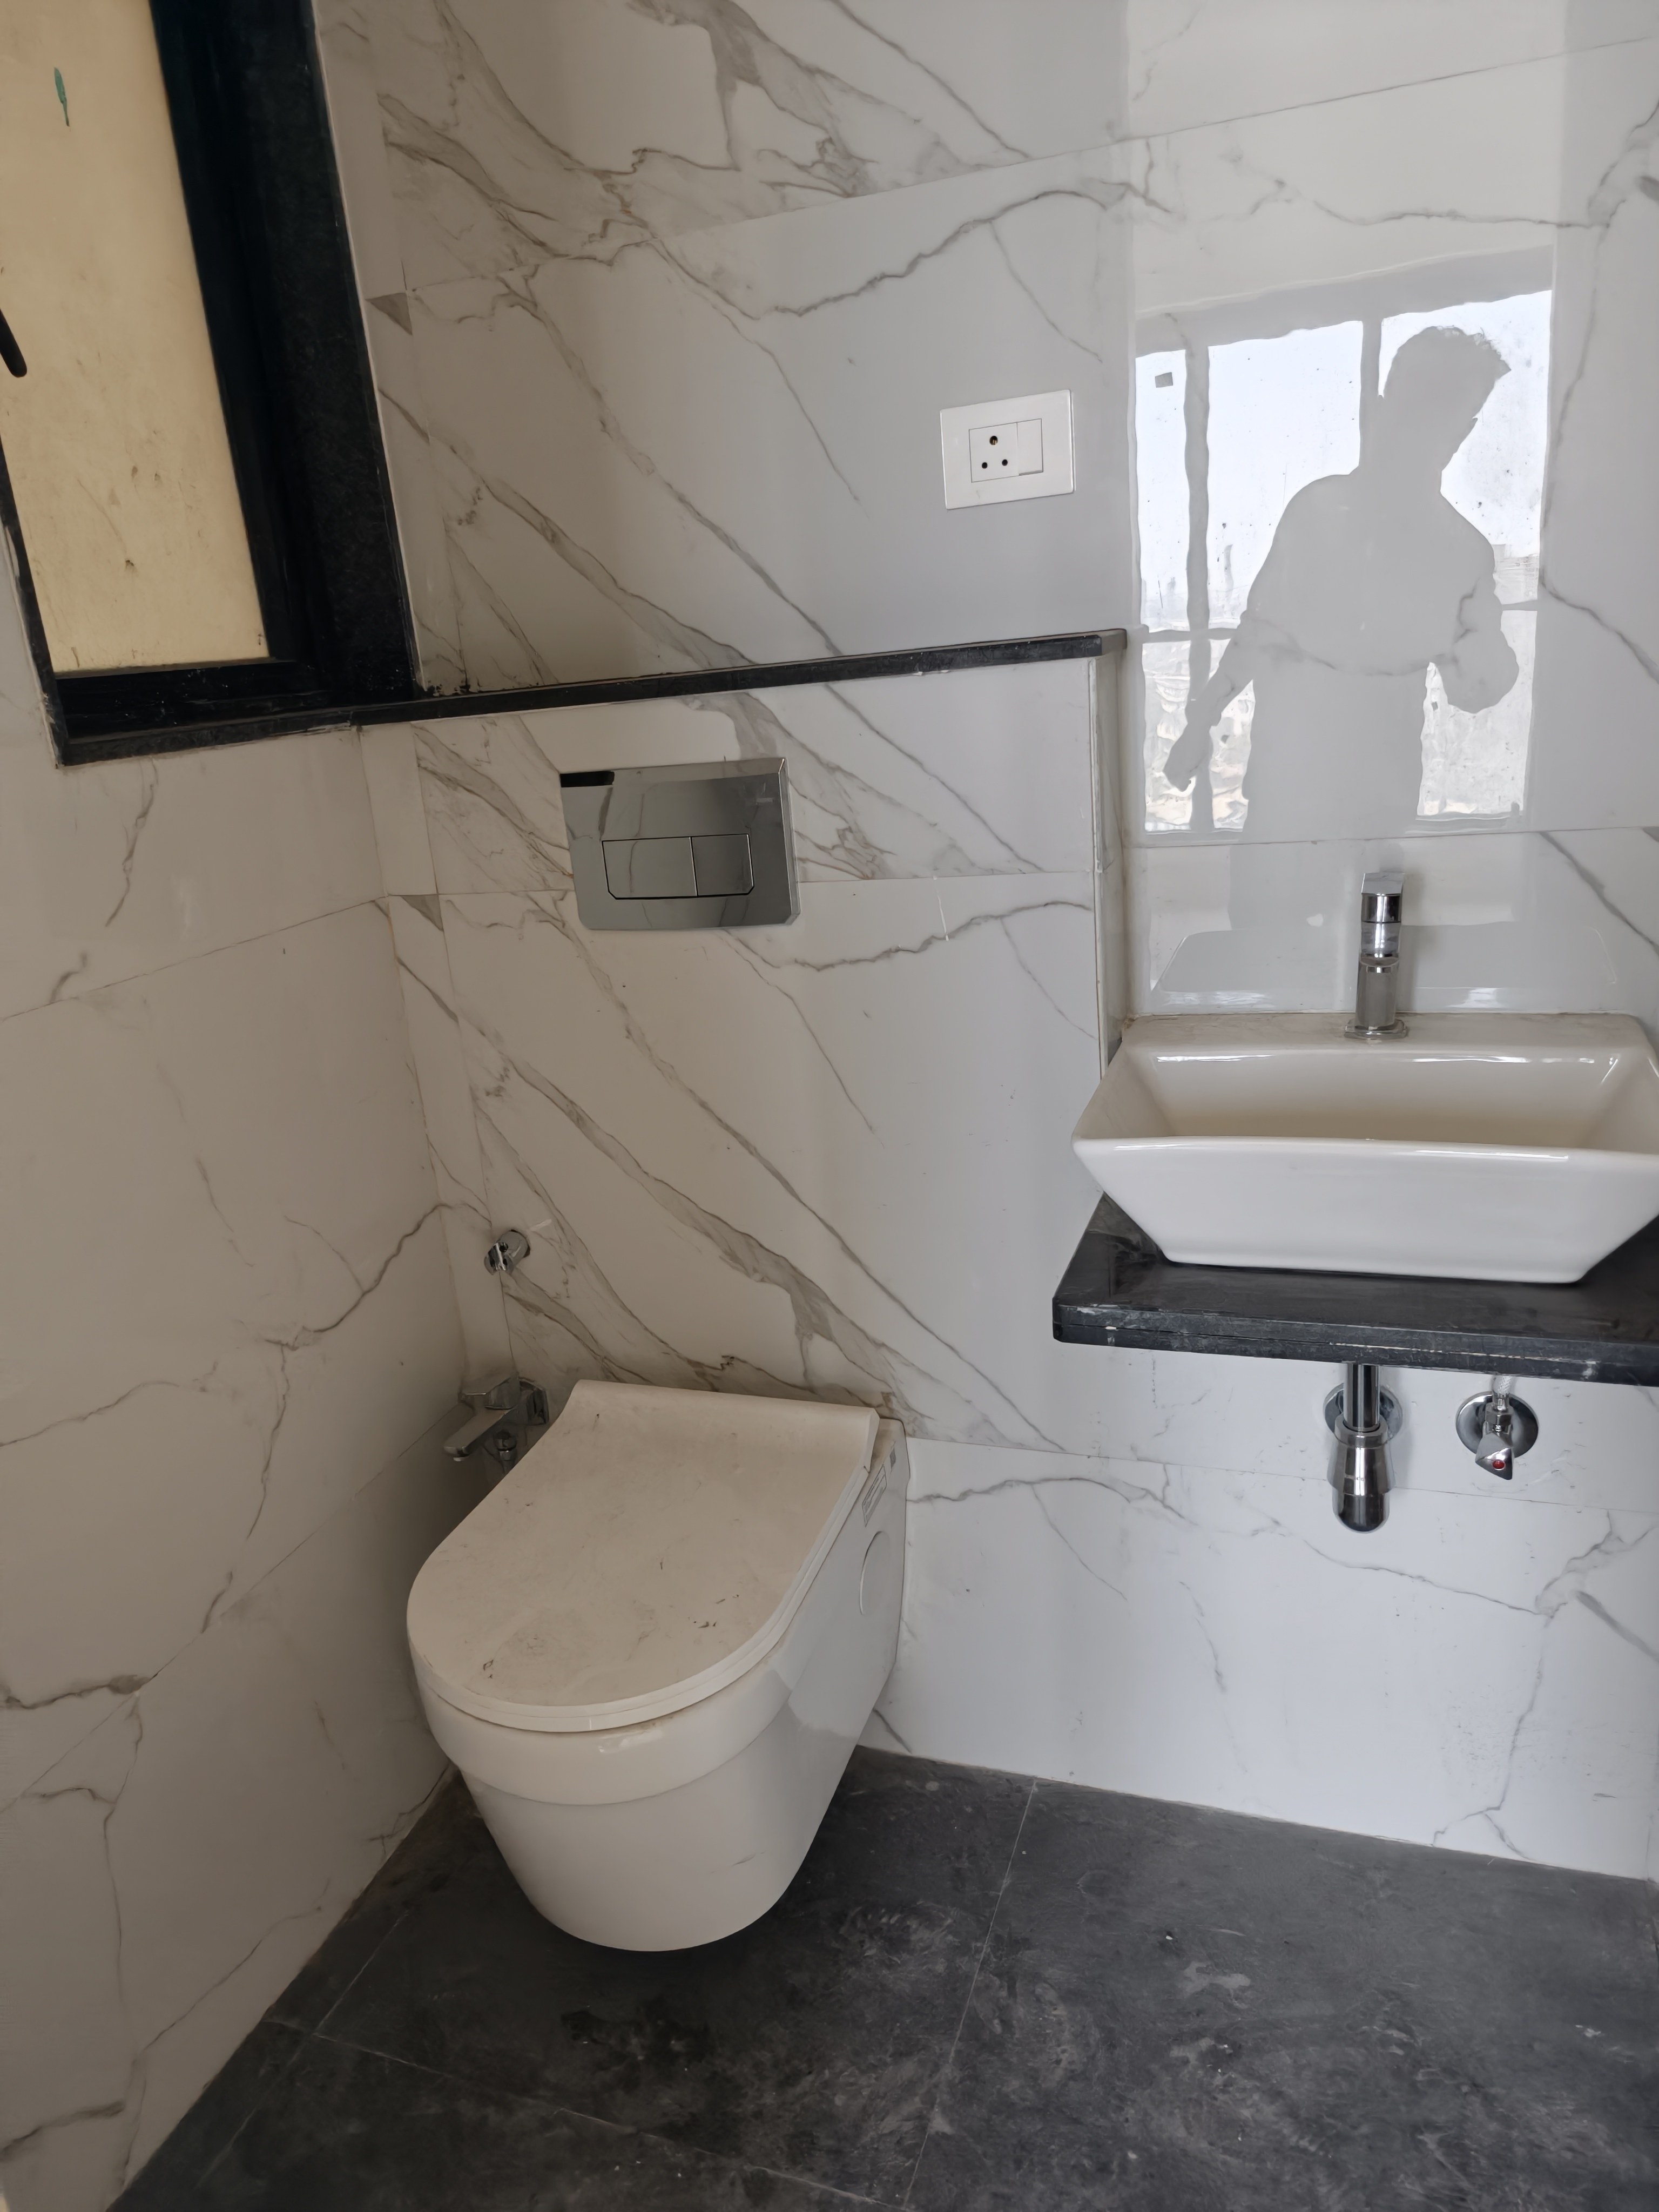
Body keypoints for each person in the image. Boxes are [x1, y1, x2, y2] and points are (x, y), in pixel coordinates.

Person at [1163, 325, 1519, 851]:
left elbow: (1471, 693)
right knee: (1287, 907)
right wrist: (1200, 724)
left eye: (1440, 415)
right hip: (1292, 806)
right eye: (1416, 407)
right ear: (1384, 407)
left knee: (1369, 906)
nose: (1422, 431)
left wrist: (1485, 658)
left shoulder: (1460, 551)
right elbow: (1258, 634)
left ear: (1461, 432)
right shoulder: (1321, 513)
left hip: (1368, 812)